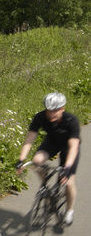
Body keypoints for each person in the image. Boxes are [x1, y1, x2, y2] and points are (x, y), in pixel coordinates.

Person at [16, 92, 80, 225]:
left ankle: (69, 211)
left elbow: (74, 147)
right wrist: (21, 160)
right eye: (48, 110)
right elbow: (29, 139)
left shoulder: (71, 121)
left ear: (62, 108)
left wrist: (67, 169)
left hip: (69, 147)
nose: (51, 114)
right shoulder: (40, 117)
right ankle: (46, 186)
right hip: (52, 142)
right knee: (36, 161)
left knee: (68, 182)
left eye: (55, 111)